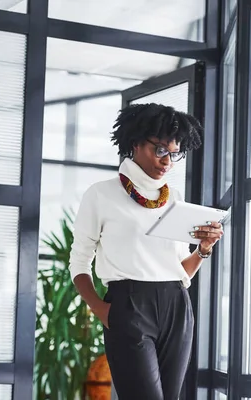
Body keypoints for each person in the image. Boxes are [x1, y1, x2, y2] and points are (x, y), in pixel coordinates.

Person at [69, 103, 224, 400]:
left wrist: (204, 249)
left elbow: (181, 270)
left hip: (176, 305)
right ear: (136, 143)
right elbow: (79, 262)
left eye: (175, 153)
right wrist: (102, 310)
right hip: (128, 304)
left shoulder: (174, 198)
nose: (167, 161)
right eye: (160, 150)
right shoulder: (101, 194)